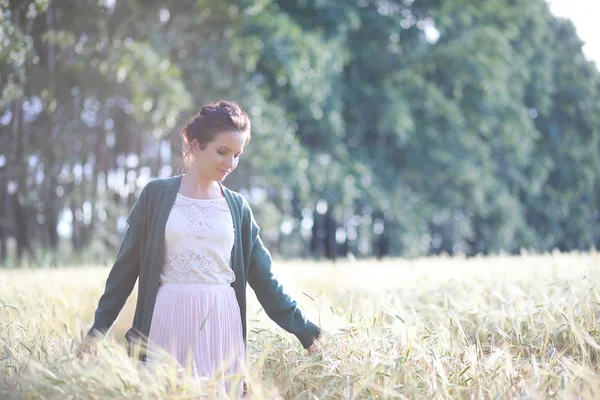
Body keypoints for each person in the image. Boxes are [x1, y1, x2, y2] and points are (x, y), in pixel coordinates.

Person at [77, 100, 322, 395]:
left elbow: (265, 279)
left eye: (237, 155)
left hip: (221, 324)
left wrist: (305, 330)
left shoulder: (238, 208)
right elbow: (124, 272)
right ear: (195, 146)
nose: (230, 163)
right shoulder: (156, 195)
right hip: (166, 322)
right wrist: (98, 330)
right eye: (222, 152)